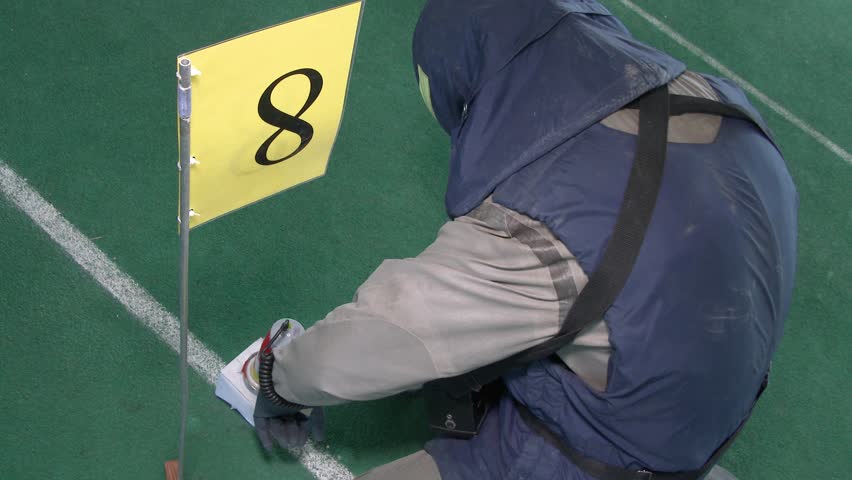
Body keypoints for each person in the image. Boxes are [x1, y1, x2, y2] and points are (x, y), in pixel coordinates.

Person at [251, 1, 798, 479]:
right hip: (705, 393)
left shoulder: (544, 229)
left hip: (613, 451)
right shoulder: (718, 98)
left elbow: (385, 332)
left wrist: (281, 382)